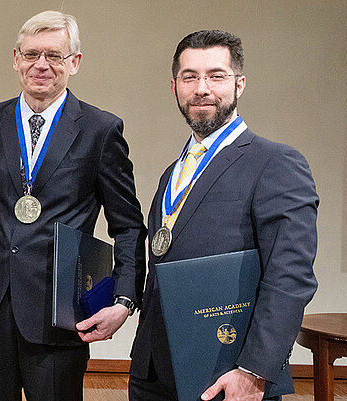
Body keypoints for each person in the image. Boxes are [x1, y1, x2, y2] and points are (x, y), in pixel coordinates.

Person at [0, 10, 146, 401]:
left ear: (75, 63)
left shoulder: (101, 130)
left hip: (61, 311)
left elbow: (128, 226)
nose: (41, 65)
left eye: (54, 55)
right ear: (16, 58)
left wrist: (123, 300)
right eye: (32, 54)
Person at [129, 29, 318, 401]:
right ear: (174, 87)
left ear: (240, 84)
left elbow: (290, 276)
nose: (202, 88)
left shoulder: (276, 162)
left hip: (227, 373)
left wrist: (254, 371)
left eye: (216, 75)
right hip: (153, 371)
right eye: (190, 77)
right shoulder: (173, 173)